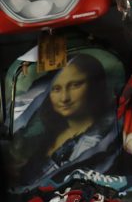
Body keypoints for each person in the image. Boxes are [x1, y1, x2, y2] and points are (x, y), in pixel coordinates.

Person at [15, 54, 120, 190]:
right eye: (56, 89)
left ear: (95, 85)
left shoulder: (108, 135)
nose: (64, 98)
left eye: (75, 85)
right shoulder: (40, 140)